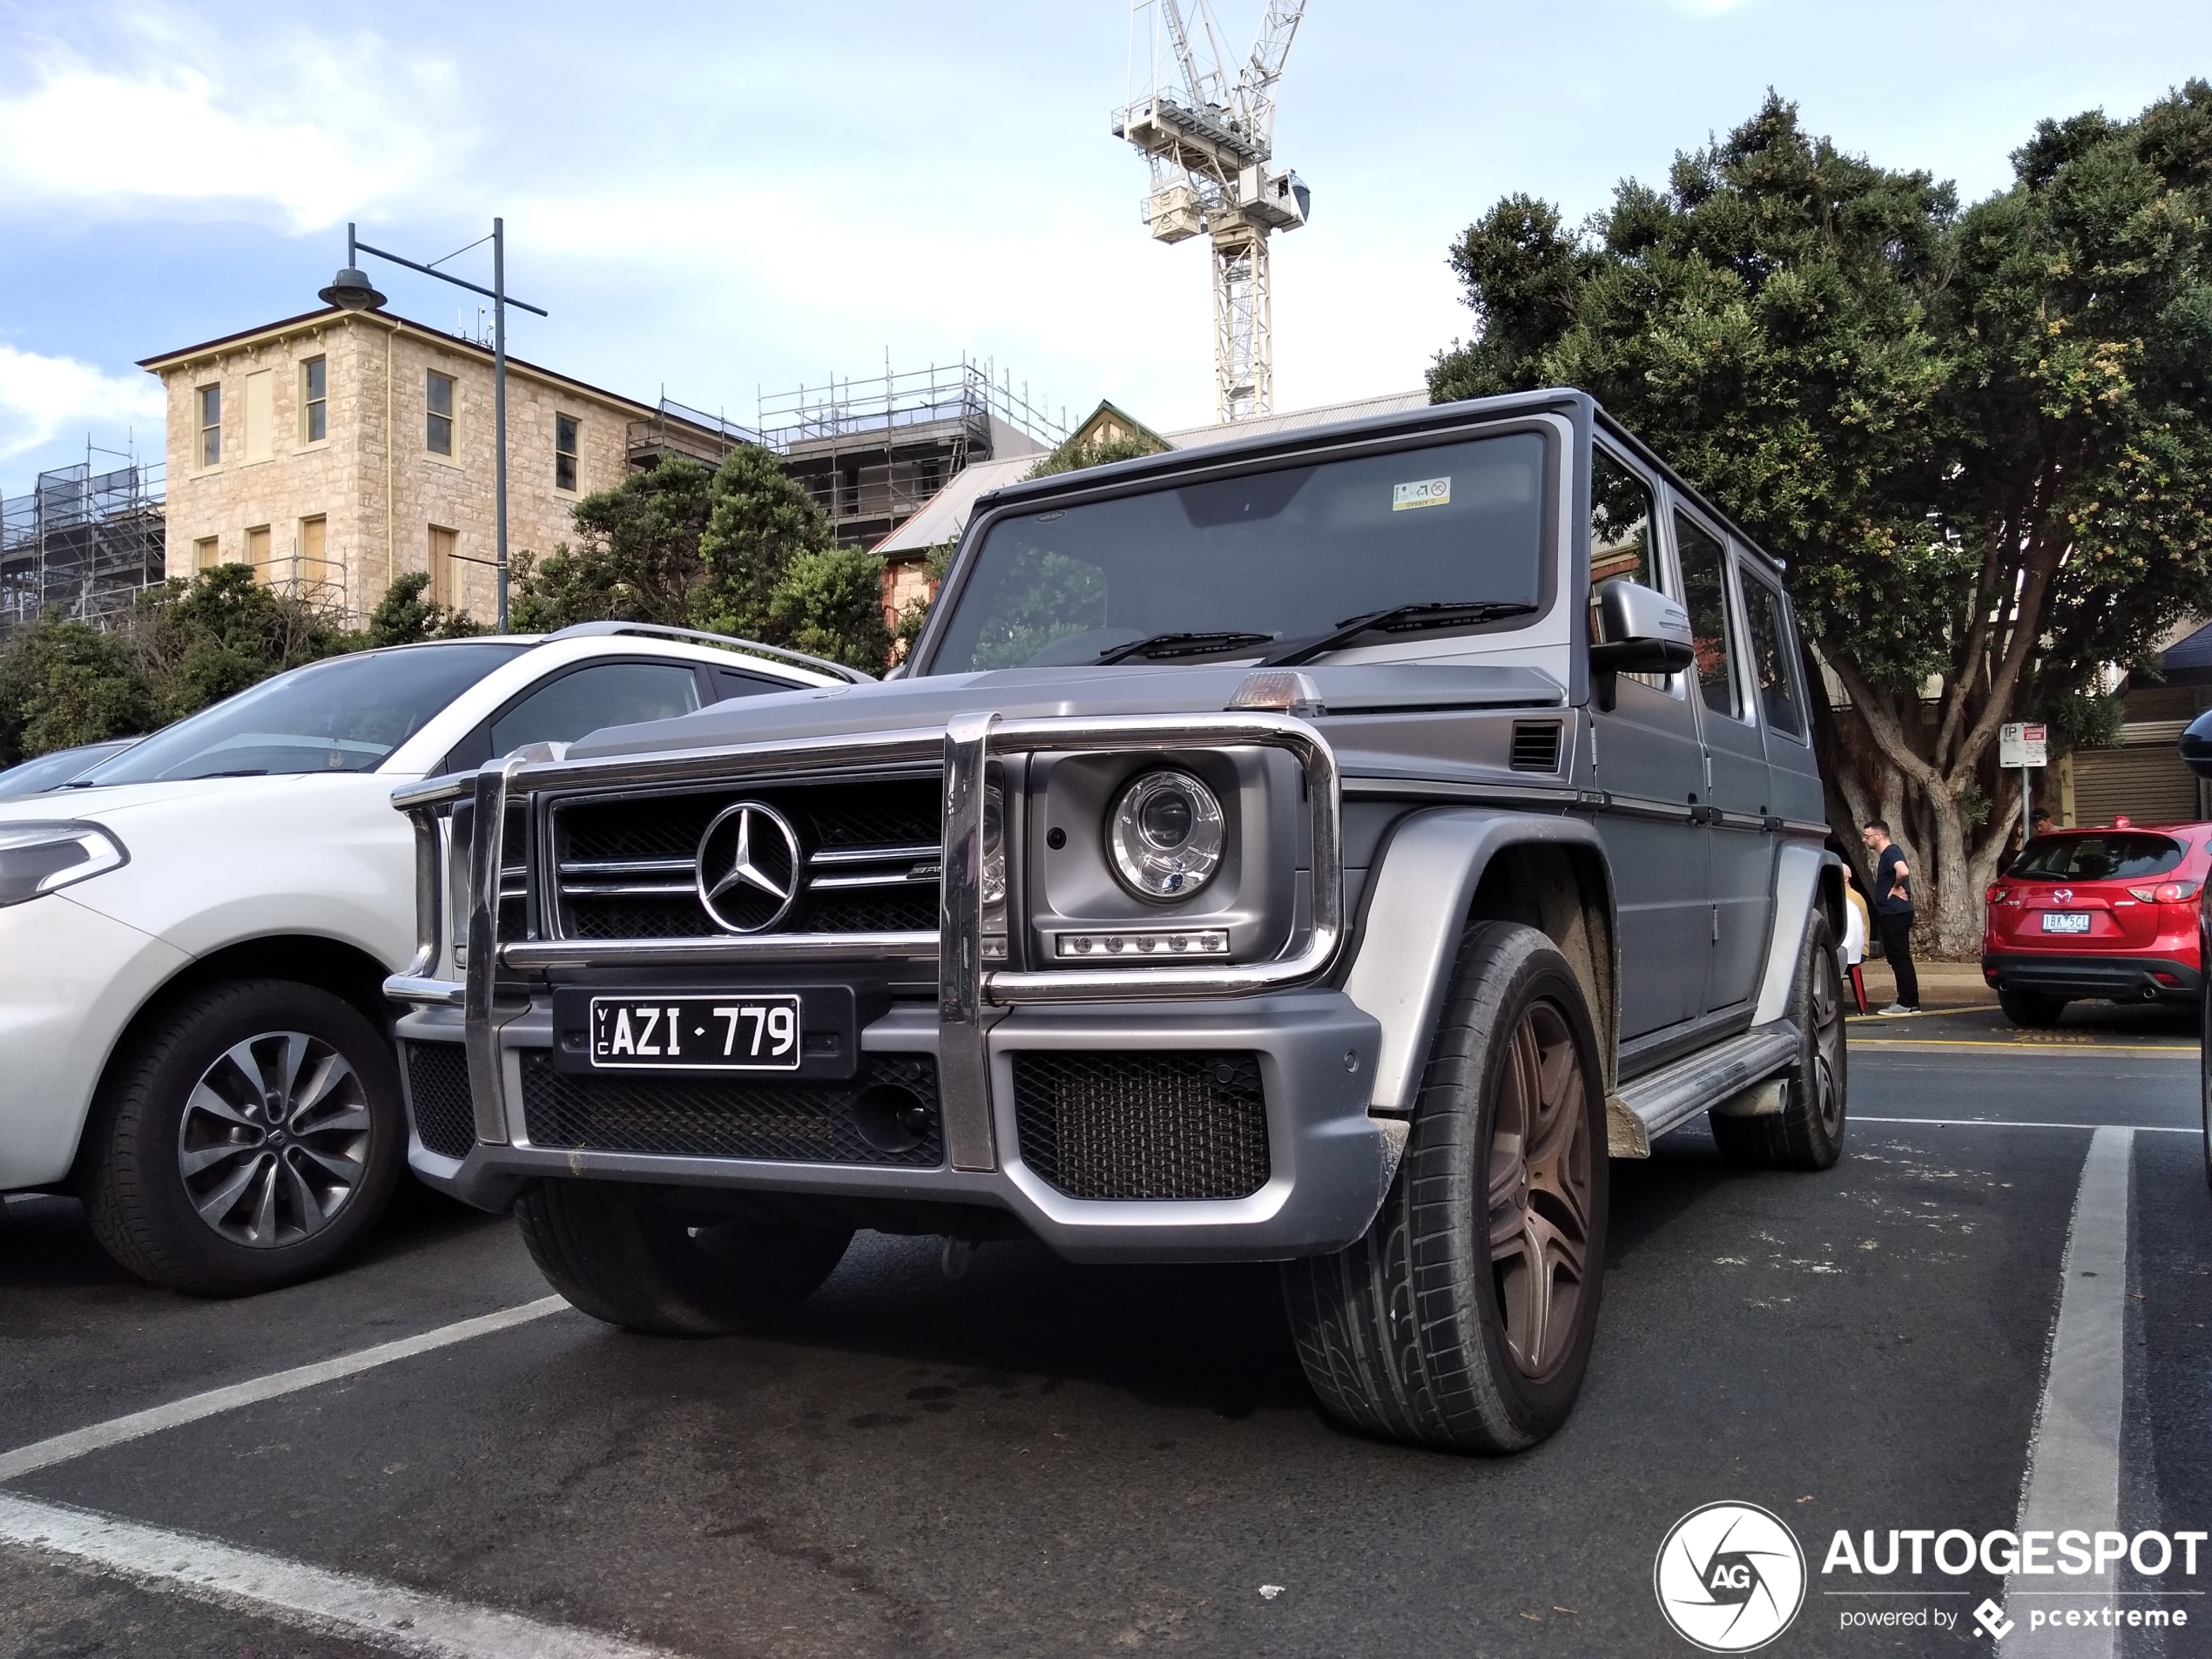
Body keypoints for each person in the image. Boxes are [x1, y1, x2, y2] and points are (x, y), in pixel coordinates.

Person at [1861, 819, 1919, 1015]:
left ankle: (1907, 1002)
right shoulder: (1887, 854)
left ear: (1879, 836)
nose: (1864, 839)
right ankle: (1910, 1001)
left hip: (1895, 912)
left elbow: (1903, 870)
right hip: (1893, 912)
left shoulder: (1891, 851)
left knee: (1899, 958)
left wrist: (1895, 886)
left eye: (1867, 836)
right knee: (1899, 957)